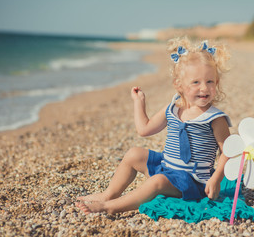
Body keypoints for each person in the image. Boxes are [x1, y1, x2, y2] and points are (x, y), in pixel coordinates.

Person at [76, 37, 232, 214]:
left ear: (216, 83)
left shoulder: (214, 118)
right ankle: (109, 194)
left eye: (210, 81)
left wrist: (216, 179)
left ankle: (108, 207)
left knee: (157, 181)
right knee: (134, 154)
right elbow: (144, 129)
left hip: (192, 182)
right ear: (179, 85)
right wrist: (139, 102)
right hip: (166, 168)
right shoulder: (172, 109)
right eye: (196, 82)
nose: (204, 88)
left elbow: (228, 151)